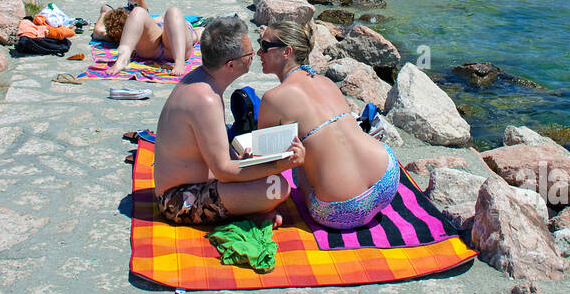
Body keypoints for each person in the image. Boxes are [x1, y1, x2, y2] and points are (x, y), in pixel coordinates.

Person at [153, 15, 303, 227]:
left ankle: (244, 207)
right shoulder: (205, 99)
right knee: (277, 187)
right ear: (231, 65)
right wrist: (279, 164)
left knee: (264, 174)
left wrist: (248, 163)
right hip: (178, 200)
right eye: (250, 53)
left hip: (195, 182)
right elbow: (223, 170)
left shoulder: (201, 81)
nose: (255, 55)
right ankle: (245, 213)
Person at [256, 21, 397, 230]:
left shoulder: (273, 99)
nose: (259, 52)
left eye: (265, 46)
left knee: (298, 159)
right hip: (387, 178)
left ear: (287, 51)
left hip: (340, 208)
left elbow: (264, 163)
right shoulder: (326, 82)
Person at [92, 0, 203, 76]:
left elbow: (100, 28)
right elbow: (143, 11)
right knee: (171, 12)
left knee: (139, 12)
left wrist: (104, 12)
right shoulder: (152, 22)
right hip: (172, 49)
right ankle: (179, 62)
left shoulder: (116, 32)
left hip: (151, 49)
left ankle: (123, 59)